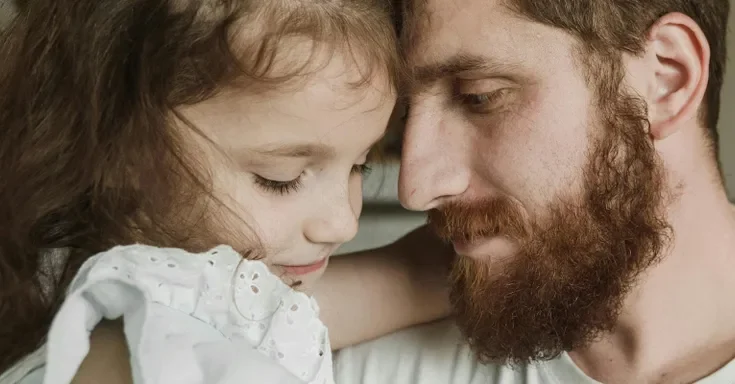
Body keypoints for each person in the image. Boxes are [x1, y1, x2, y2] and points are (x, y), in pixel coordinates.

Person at [0, 1, 451, 383]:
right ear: (120, 155)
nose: (343, 223)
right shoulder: (134, 327)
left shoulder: (231, 300)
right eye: (281, 178)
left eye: (360, 165)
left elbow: (415, 275)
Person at [334, 0, 735, 383]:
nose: (415, 190)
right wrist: (399, 279)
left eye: (480, 97)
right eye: (405, 116)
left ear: (668, 79)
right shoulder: (367, 366)